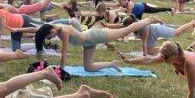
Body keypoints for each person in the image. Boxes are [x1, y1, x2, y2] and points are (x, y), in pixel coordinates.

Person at [34, 16, 162, 72]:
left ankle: (149, 20)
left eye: (49, 37)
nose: (51, 39)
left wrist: (61, 71)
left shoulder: (64, 30)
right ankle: (113, 64)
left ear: (51, 31)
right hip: (87, 43)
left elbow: (64, 52)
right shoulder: (53, 27)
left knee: (125, 30)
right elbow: (37, 30)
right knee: (88, 68)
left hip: (95, 36)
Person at [121, 14, 195, 56]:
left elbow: (144, 42)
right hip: (152, 35)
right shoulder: (135, 25)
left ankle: (192, 23)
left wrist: (144, 56)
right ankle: (170, 48)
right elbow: (124, 30)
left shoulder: (143, 27)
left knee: (177, 33)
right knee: (150, 52)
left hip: (158, 30)